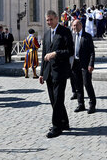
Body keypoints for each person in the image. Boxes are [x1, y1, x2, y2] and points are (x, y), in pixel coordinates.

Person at [39, 10, 74, 138]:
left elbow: (70, 51)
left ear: (56, 18)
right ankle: (64, 122)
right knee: (53, 100)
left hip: (60, 72)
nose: (49, 22)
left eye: (51, 20)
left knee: (58, 99)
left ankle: (56, 126)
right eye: (47, 20)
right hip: (48, 72)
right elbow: (44, 54)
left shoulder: (65, 32)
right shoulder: (47, 34)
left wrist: (56, 54)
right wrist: (42, 73)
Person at [70, 20, 96, 114]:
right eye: (73, 26)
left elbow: (92, 52)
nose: (74, 27)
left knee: (87, 84)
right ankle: (81, 104)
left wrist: (91, 64)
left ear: (81, 25)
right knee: (78, 85)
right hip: (75, 64)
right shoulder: (72, 36)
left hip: (85, 64)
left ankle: (92, 104)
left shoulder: (87, 36)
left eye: (76, 25)